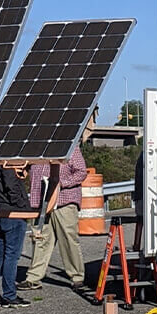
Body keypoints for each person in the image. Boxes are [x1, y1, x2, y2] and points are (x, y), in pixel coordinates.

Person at [18, 119, 93, 293]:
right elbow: (26, 168)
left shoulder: (68, 147)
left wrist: (62, 183)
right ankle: (33, 278)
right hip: (41, 203)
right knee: (40, 239)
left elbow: (81, 171)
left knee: (68, 240)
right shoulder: (35, 150)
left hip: (64, 201)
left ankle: (77, 278)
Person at [0, 165, 32, 308]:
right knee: (12, 255)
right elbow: (11, 186)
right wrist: (23, 207)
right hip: (13, 213)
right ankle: (10, 295)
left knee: (1, 254)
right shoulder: (7, 163)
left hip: (0, 209)